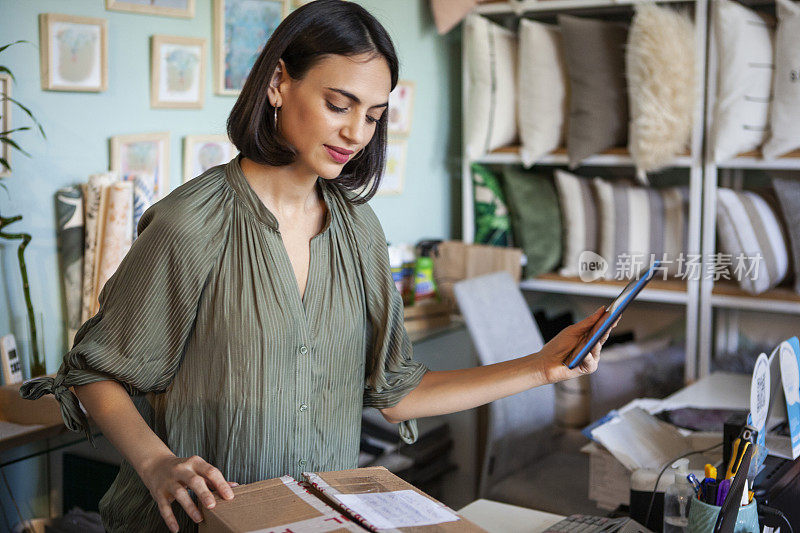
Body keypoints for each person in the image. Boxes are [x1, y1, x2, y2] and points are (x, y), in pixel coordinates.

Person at [21, 1, 617, 531]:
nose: (357, 132)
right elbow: (94, 374)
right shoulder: (190, 225)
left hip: (318, 517)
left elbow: (398, 394)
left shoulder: (359, 231)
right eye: (339, 104)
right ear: (279, 83)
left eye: (375, 115)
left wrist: (543, 367)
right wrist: (156, 463)